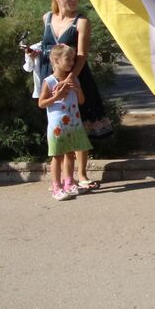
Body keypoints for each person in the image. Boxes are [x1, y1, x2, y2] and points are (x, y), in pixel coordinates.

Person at [36, 0, 109, 185]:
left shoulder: (82, 21)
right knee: (59, 122)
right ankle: (64, 179)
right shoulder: (47, 18)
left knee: (80, 123)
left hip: (76, 77)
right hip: (51, 80)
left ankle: (82, 174)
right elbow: (47, 48)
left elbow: (82, 55)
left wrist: (70, 79)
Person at [39, 44, 93, 201]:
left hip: (73, 123)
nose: (72, 63)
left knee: (70, 154)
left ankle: (68, 182)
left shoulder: (74, 79)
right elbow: (42, 103)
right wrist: (57, 96)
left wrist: (77, 89)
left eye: (73, 59)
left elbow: (81, 101)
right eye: (68, 59)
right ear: (56, 60)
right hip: (58, 125)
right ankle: (56, 186)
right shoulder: (49, 81)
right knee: (57, 156)